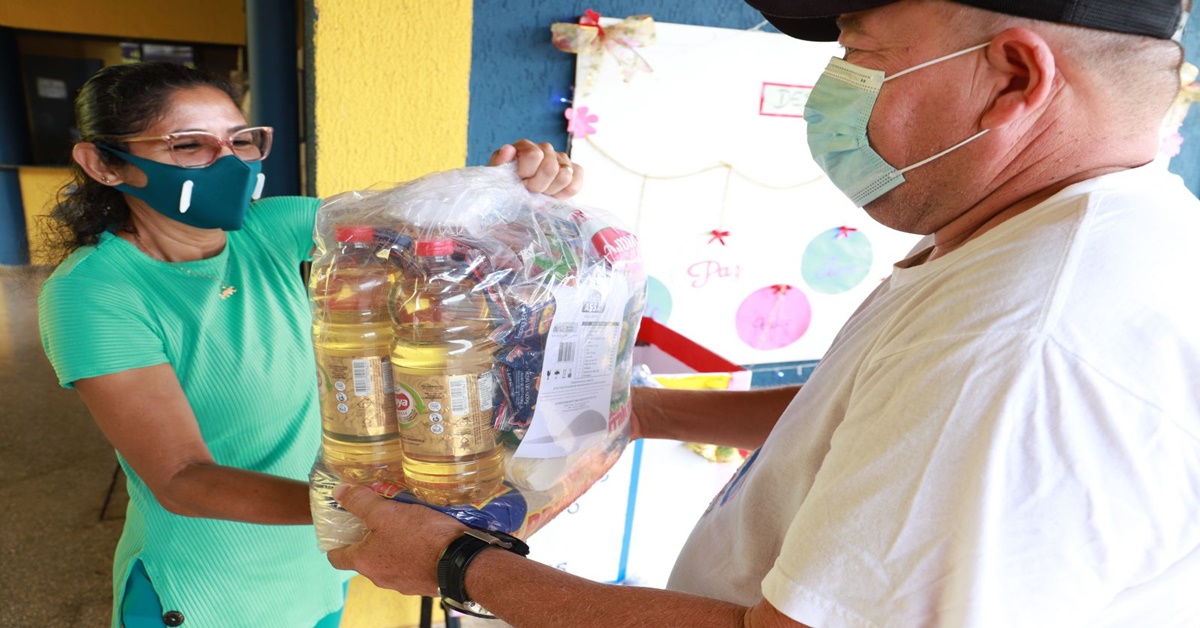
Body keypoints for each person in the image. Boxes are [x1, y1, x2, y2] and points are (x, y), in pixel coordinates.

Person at [324, 0, 1200, 626]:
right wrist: (642, 412)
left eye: (864, 53)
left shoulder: (1025, 337)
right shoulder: (1063, 241)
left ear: (1013, 77)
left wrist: (458, 564)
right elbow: (881, 423)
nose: (835, 89)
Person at [36, 60, 581, 628]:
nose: (228, 165)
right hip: (210, 589)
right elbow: (181, 478)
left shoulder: (270, 230)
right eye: (189, 146)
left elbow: (426, 220)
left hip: (322, 567)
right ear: (104, 163)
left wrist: (508, 185)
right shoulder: (94, 293)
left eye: (239, 142)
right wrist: (374, 511)